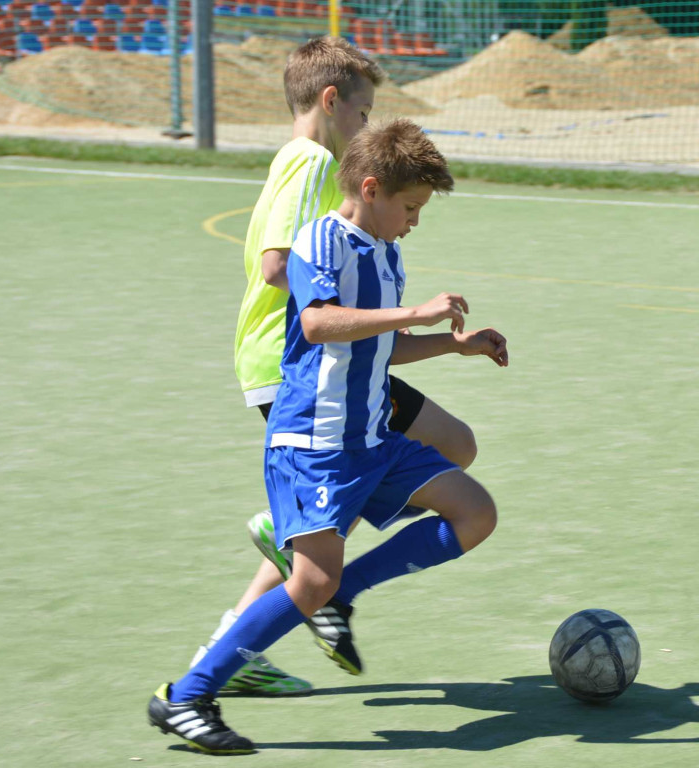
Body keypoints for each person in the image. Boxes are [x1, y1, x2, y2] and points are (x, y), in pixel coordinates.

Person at [149, 119, 506, 755]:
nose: (415, 221)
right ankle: (185, 697)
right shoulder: (320, 240)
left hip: (372, 438)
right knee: (307, 584)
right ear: (371, 189)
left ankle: (348, 592)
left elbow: (384, 344)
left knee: (475, 513)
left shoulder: (385, 250)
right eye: (411, 207)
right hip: (315, 444)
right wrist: (417, 310)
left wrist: (455, 347)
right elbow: (317, 324)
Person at [193, 36, 485, 697]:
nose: (366, 126)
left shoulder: (305, 161)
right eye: (362, 112)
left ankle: (236, 645)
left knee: (452, 446)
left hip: (324, 356)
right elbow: (278, 264)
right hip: (301, 362)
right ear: (331, 103)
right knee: (350, 511)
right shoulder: (310, 162)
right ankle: (275, 590)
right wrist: (342, 269)